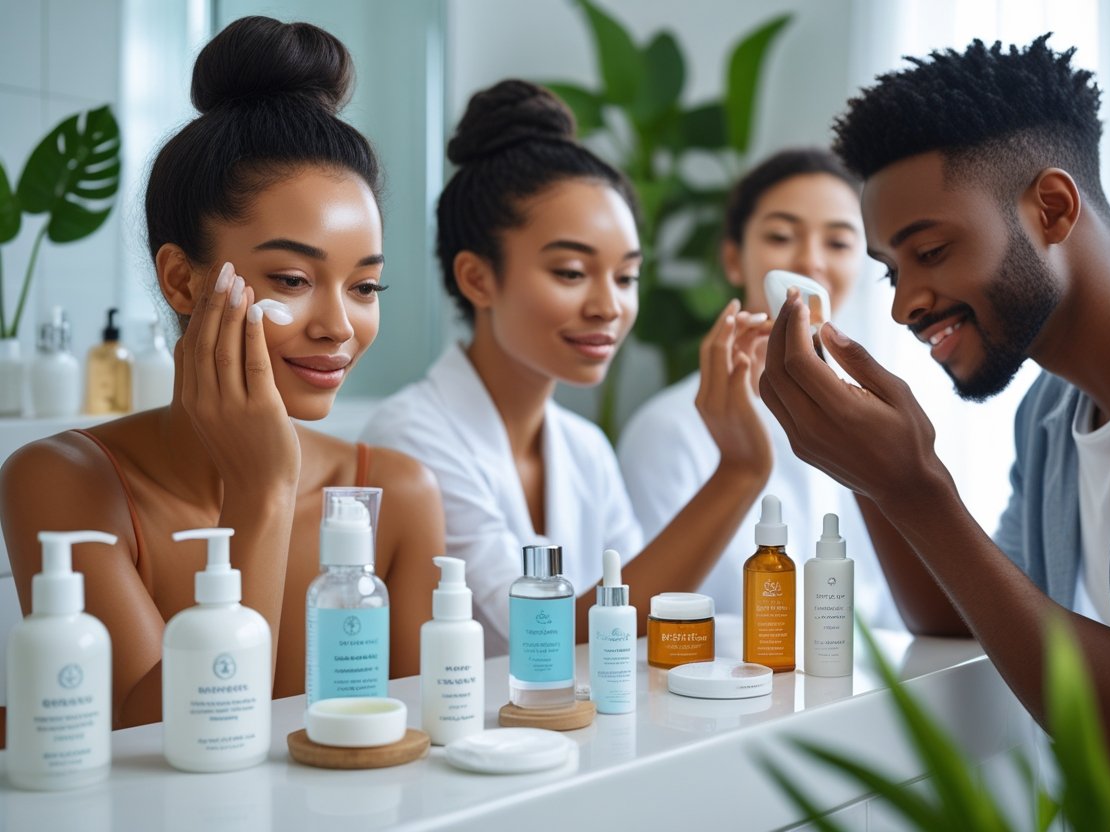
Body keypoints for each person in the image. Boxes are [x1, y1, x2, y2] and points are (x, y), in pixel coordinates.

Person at [759, 34, 1110, 815]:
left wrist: (918, 488)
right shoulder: (1051, 412)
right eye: (891, 271)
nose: (904, 303)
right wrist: (871, 469)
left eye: (930, 250)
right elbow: (954, 612)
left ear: (1053, 207)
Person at [0, 16, 443, 730]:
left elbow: (411, 748)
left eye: (365, 287)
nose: (339, 325)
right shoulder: (63, 483)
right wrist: (260, 489)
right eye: (294, 278)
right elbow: (155, 751)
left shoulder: (396, 495)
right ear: (181, 281)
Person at [360, 80, 771, 654]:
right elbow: (542, 635)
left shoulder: (585, 449)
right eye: (572, 272)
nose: (609, 306)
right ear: (477, 278)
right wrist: (739, 471)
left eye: (626, 277)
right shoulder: (409, 440)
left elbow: (630, 623)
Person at [618, 148, 899, 627]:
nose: (810, 260)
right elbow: (650, 615)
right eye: (781, 236)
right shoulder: (667, 430)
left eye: (838, 242)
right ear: (733, 259)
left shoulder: (876, 418)